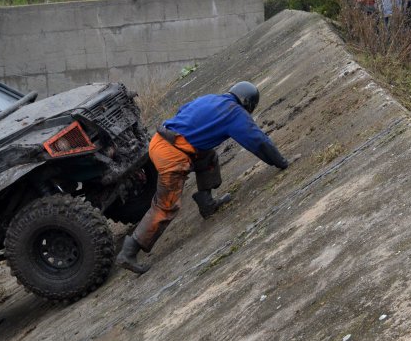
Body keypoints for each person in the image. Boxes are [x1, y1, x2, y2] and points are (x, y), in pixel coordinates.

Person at [116, 81, 289, 274]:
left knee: (207, 156)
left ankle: (207, 203)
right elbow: (258, 141)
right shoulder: (234, 112)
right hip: (171, 153)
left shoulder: (212, 99)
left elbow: (183, 112)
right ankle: (129, 251)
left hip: (159, 141)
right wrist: (281, 162)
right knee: (166, 204)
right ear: (248, 103)